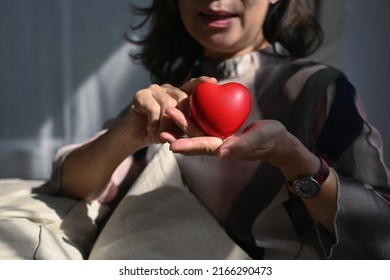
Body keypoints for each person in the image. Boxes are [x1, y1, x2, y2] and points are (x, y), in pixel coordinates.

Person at [49, 0, 390, 259]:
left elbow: (380, 229)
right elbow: (70, 185)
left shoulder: (317, 89)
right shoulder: (167, 99)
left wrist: (295, 161)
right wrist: (125, 135)